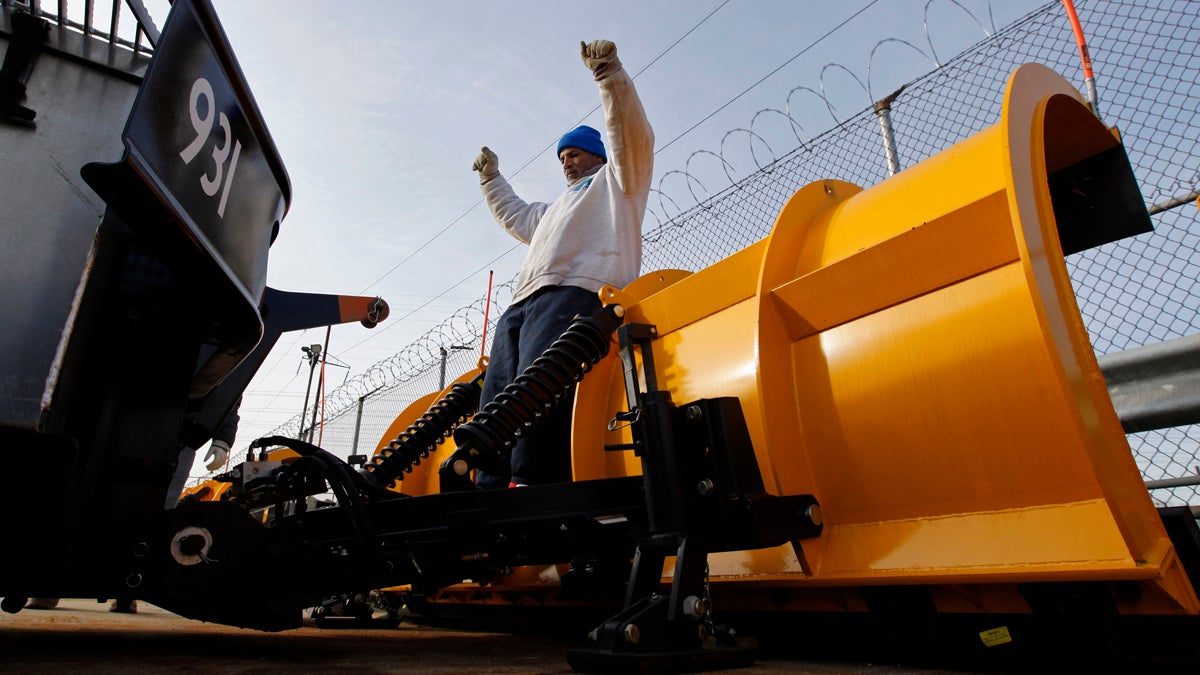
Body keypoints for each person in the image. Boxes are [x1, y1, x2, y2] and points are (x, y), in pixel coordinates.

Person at [471, 39, 653, 488]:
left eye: (573, 153)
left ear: (597, 155)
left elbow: (629, 135)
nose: (566, 161)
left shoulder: (618, 183)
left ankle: (535, 486)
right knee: (499, 397)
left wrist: (608, 75)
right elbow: (513, 212)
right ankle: (488, 489)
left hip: (578, 292)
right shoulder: (551, 211)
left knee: (540, 393)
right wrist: (490, 178)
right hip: (522, 304)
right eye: (562, 157)